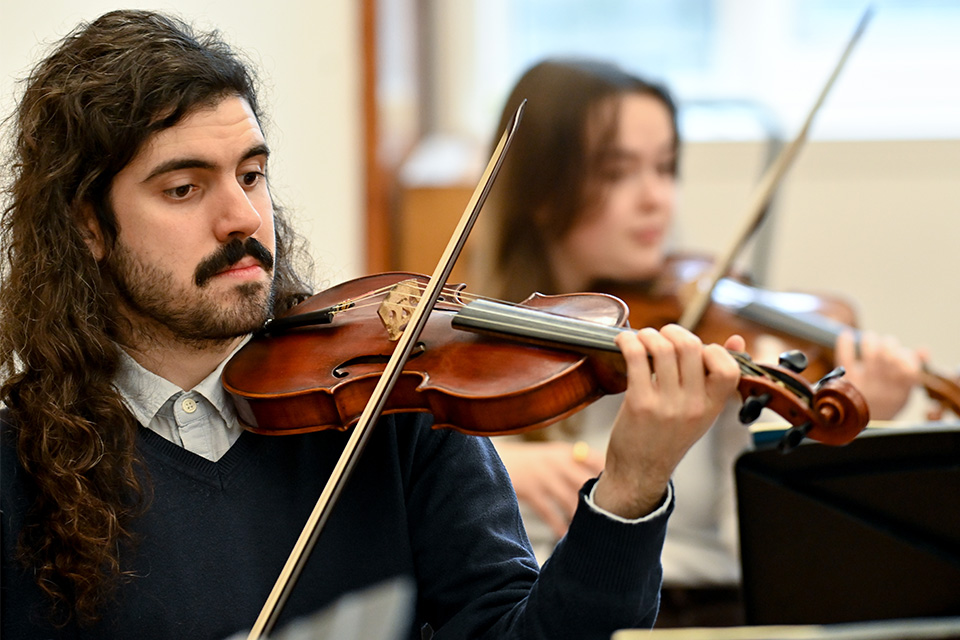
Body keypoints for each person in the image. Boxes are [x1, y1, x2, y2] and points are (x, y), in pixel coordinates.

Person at [0, 11, 748, 639]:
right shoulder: (20, 466)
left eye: (252, 175)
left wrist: (631, 487)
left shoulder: (390, 404)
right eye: (185, 187)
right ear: (88, 226)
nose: (241, 217)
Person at [479, 58, 924, 627]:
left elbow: (786, 540)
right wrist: (508, 464)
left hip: (707, 613)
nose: (656, 199)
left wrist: (846, 430)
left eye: (665, 168)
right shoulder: (470, 351)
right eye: (618, 173)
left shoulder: (692, 340)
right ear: (542, 190)